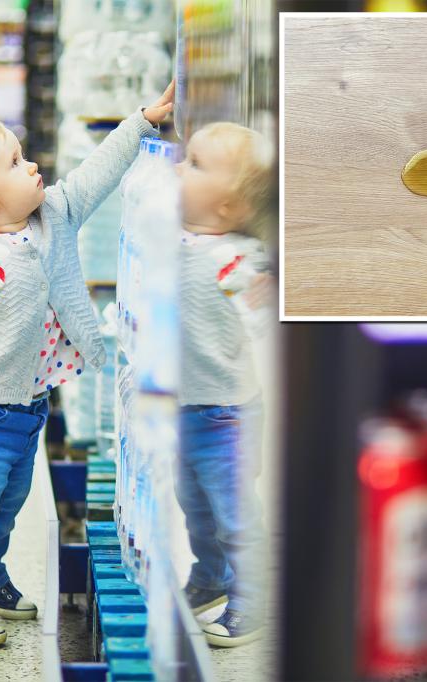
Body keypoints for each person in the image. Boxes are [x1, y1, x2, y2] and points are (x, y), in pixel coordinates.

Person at [0, 82, 174, 649]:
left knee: (7, 506)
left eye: (24, 157)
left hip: (28, 405)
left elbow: (97, 173)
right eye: (15, 163)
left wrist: (142, 122)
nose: (32, 168)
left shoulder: (54, 216)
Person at [174, 121, 276, 647]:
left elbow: (269, 294)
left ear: (231, 207)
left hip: (226, 412)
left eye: (193, 164)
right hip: (180, 406)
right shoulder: (172, 235)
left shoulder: (244, 258)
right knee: (193, 504)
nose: (176, 169)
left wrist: (269, 285)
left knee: (234, 512)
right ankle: (210, 577)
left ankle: (252, 598)